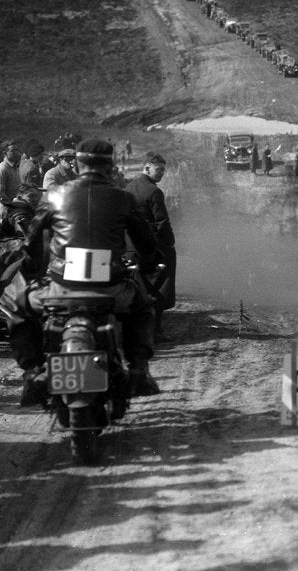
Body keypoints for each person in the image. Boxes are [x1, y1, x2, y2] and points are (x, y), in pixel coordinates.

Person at [4, 139, 161, 405]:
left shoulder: (54, 196)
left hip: (60, 288)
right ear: (110, 167)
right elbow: (146, 244)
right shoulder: (124, 198)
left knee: (11, 303)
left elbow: (32, 243)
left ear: (77, 164)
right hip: (110, 289)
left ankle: (32, 373)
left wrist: (31, 273)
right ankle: (138, 370)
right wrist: (147, 264)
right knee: (143, 307)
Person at [126, 152, 177, 338]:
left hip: (130, 245)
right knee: (158, 287)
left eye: (163, 170)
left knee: (136, 287)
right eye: (158, 169)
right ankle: (155, 331)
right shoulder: (154, 191)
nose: (162, 173)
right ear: (146, 168)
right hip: (151, 245)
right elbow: (162, 222)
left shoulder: (129, 187)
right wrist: (170, 244)